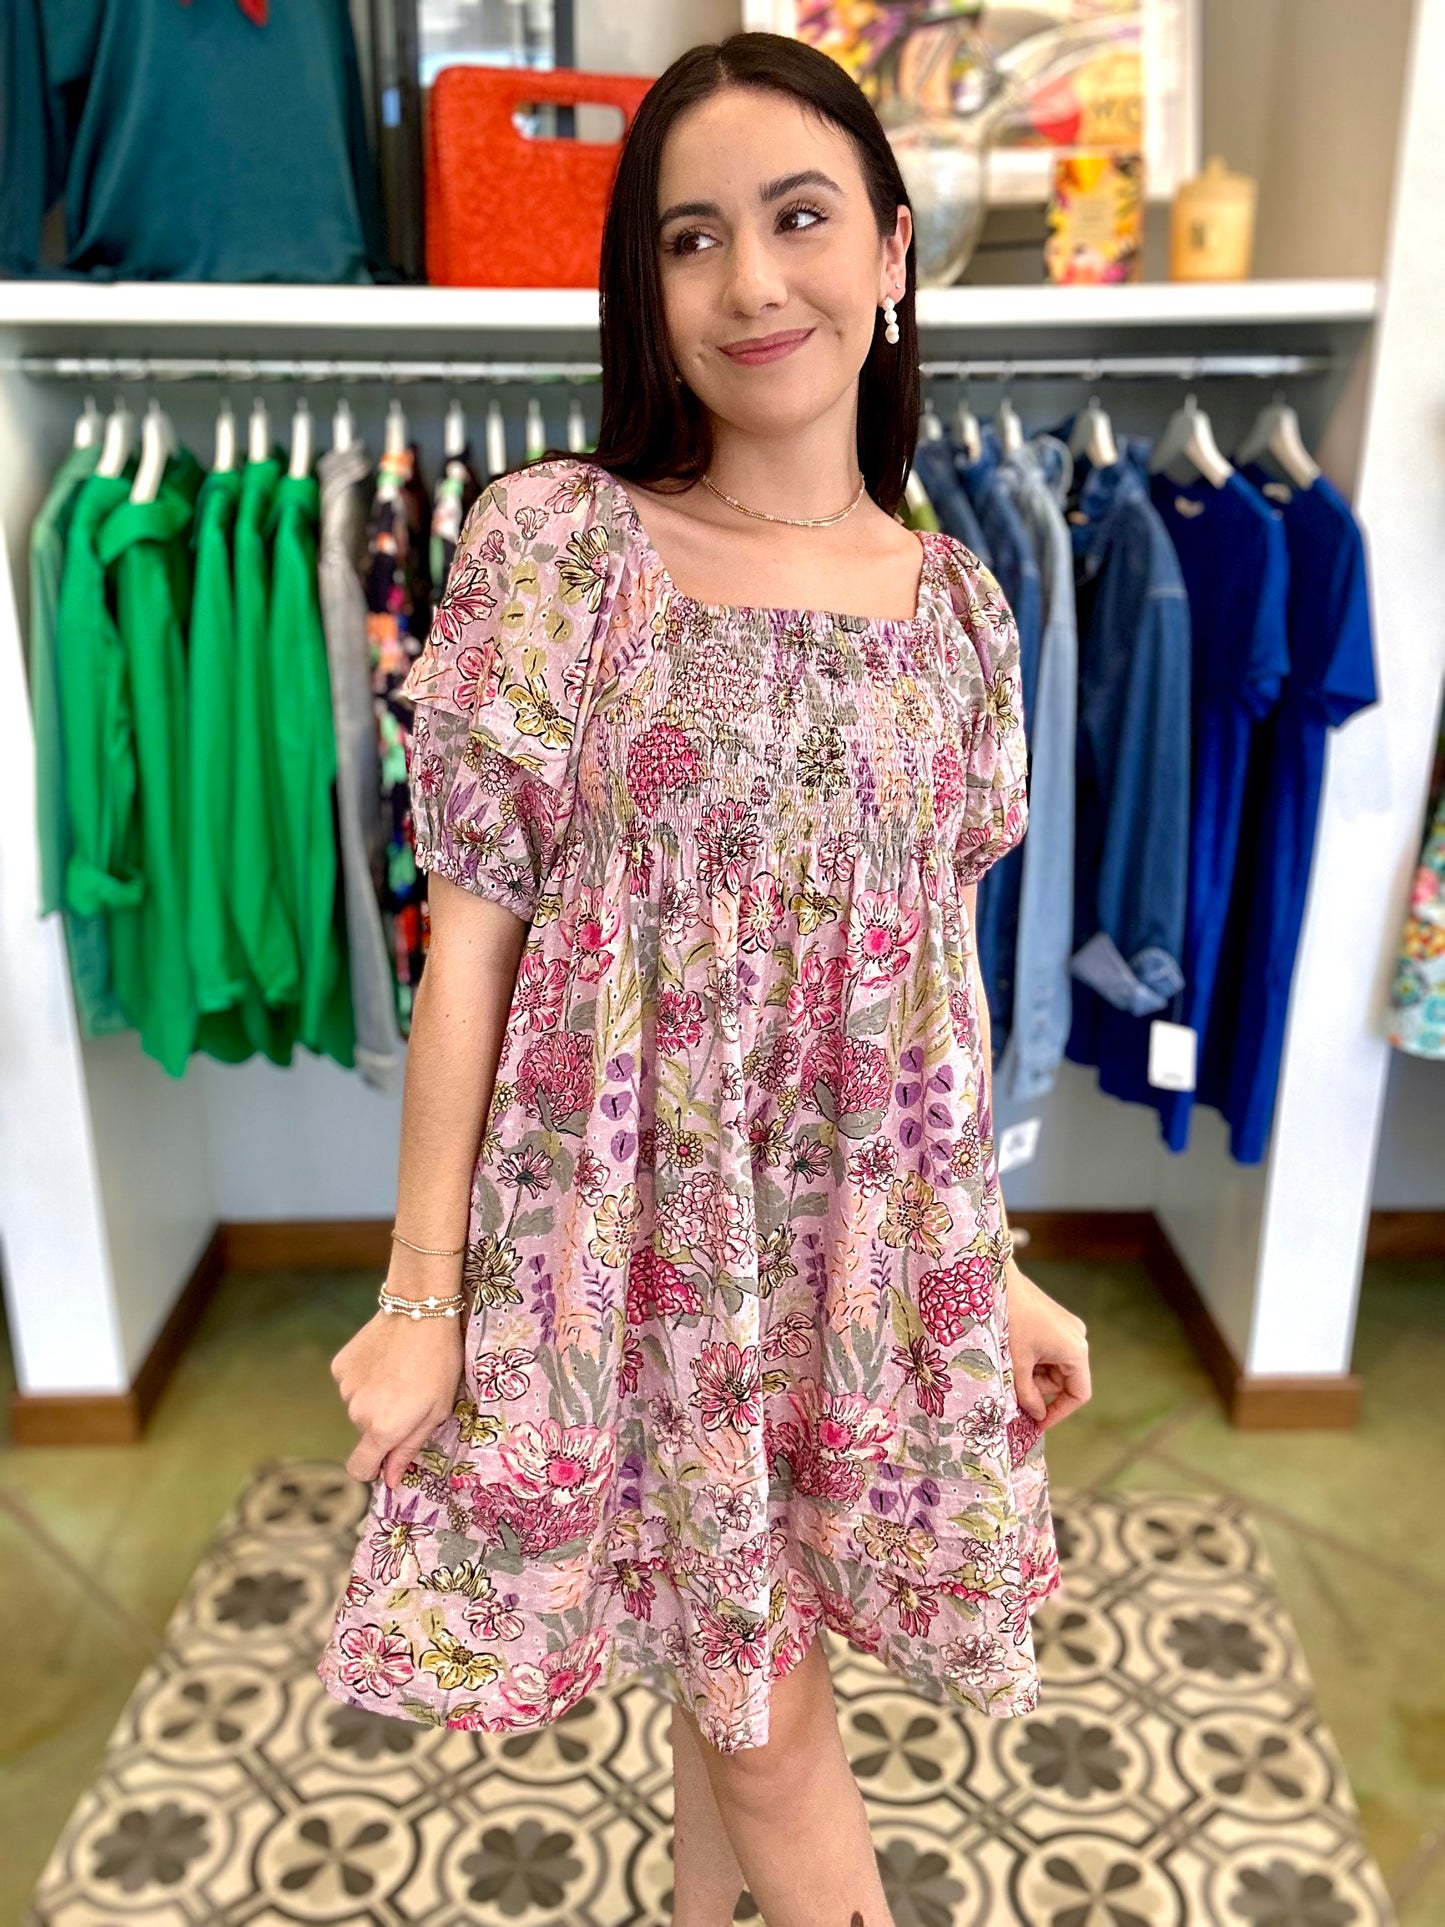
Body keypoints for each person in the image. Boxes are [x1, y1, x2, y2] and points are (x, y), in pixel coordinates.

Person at [321, 29, 1091, 1927]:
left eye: (799, 218)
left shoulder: (959, 610)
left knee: (733, 1664)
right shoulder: (559, 548)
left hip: (849, 1264)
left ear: (892, 252)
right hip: (625, 1255)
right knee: (764, 1719)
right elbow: (469, 944)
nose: (750, 282)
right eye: (690, 238)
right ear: (646, 290)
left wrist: (987, 1262)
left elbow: (930, 989)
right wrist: (423, 1293)